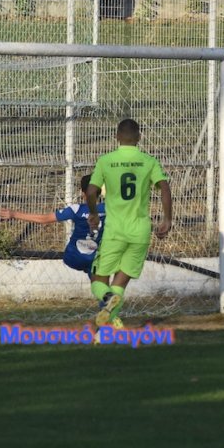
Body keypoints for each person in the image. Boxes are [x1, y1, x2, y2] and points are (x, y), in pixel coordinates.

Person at [86, 119, 172, 331]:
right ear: (139, 138)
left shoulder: (105, 161)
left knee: (99, 279)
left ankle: (106, 299)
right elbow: (164, 188)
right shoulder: (149, 161)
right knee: (120, 284)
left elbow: (90, 192)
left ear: (116, 137)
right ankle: (109, 324)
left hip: (115, 231)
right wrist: (167, 219)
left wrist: (94, 214)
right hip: (140, 232)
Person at [0, 174, 105, 275]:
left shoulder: (76, 210)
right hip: (95, 257)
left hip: (74, 257)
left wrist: (14, 214)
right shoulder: (108, 209)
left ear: (83, 192)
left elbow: (44, 219)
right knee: (98, 277)